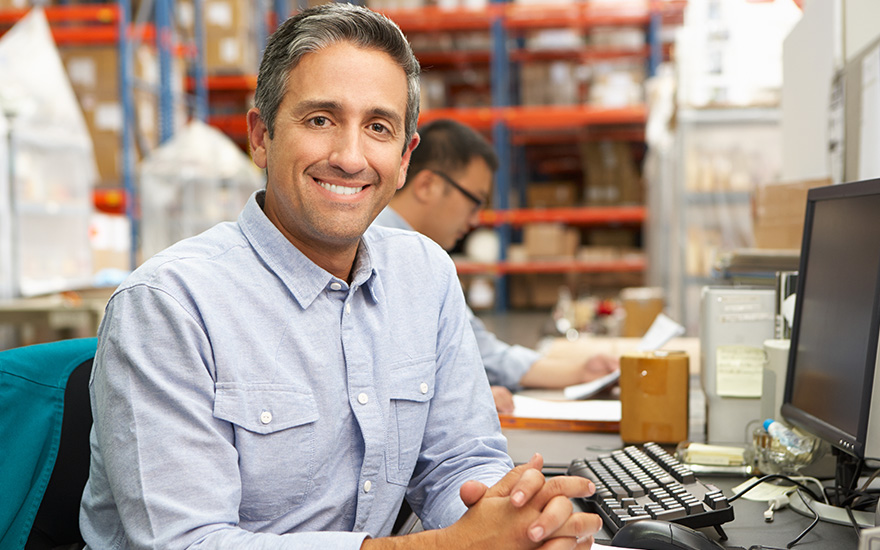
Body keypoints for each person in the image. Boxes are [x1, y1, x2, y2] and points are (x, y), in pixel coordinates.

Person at [79, 4, 602, 548]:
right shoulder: (169, 305)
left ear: (404, 159)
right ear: (261, 136)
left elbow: (458, 462)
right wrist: (451, 546)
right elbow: (184, 544)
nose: (350, 157)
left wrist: (519, 520)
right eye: (320, 119)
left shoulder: (426, 276)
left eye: (378, 127)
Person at [374, 119, 619, 413]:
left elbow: (478, 350)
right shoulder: (382, 251)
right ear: (427, 186)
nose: (476, 219)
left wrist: (579, 372)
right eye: (474, 201)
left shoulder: (422, 259)